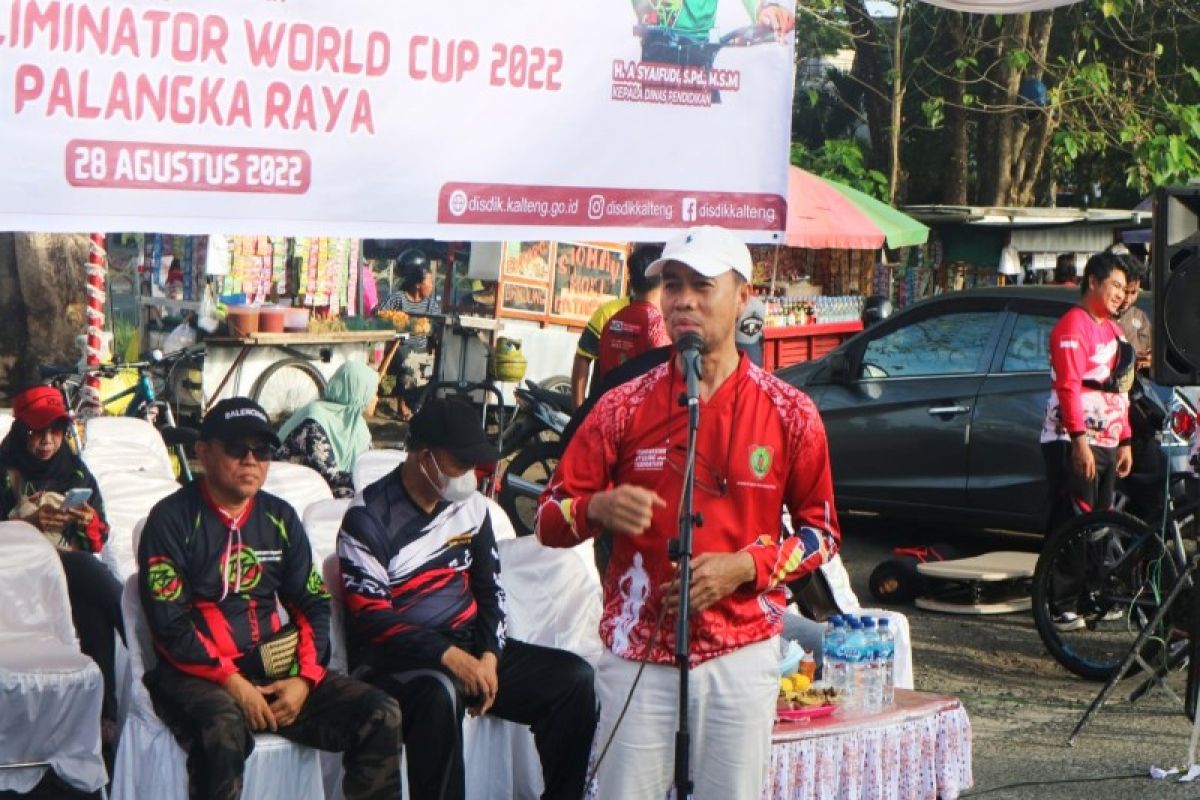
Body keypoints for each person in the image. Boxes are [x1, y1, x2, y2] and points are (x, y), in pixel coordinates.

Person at [537, 225, 840, 800]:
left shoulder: (790, 413)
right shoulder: (621, 405)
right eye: (672, 285)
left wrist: (745, 567)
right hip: (638, 653)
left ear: (743, 295)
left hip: (742, 652)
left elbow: (821, 533)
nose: (684, 301)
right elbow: (548, 518)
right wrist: (596, 508)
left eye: (702, 285)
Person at [137, 398, 402, 800]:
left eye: (261, 451)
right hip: (196, 676)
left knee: (381, 713)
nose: (250, 460)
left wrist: (304, 680)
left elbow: (313, 603)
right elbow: (170, 627)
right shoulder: (169, 520)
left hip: (275, 669)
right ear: (203, 453)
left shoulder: (280, 517)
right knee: (222, 730)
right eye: (235, 449)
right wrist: (234, 683)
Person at [338, 397, 597, 800]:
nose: (472, 476)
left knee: (574, 682)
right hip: (395, 662)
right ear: (425, 458)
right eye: (461, 464)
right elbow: (372, 618)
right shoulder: (367, 518)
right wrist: (453, 659)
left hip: (469, 649)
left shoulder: (472, 508)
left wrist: (490, 656)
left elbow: (492, 590)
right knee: (439, 694)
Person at [0, 385, 124, 741]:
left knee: (93, 610)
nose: (47, 441)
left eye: (56, 431)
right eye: (38, 432)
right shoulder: (5, 473)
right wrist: (30, 525)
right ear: (21, 431)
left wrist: (88, 523)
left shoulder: (76, 472)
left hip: (68, 573)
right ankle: (141, 635)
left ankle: (104, 720)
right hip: (17, 574)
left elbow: (101, 537)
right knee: (88, 570)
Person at [1040, 251, 1134, 631]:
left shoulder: (1113, 329)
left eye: (1124, 289)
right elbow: (1067, 387)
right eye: (1114, 285)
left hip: (1109, 438)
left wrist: (1125, 439)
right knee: (1072, 518)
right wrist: (1079, 441)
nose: (1120, 295)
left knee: (1100, 521)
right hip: (1071, 437)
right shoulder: (1072, 326)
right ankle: (1058, 602)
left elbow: (1122, 390)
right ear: (1092, 281)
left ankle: (1089, 593)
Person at [276, 360, 380, 498]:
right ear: (358, 393)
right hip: (294, 494)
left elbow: (369, 463)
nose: (376, 399)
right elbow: (331, 478)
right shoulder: (315, 421)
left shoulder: (357, 424)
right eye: (373, 393)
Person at [594, 244, 670, 389]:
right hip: (640, 409)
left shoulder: (612, 321)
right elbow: (663, 378)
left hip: (607, 405)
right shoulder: (656, 324)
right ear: (663, 279)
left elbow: (598, 372)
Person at [380, 248, 441, 420]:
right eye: (429, 282)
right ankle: (402, 404)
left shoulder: (430, 306)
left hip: (423, 348)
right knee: (406, 361)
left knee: (432, 366)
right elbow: (379, 314)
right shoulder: (398, 299)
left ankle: (419, 404)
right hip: (401, 346)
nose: (431, 286)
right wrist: (396, 322)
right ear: (418, 284)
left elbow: (436, 328)